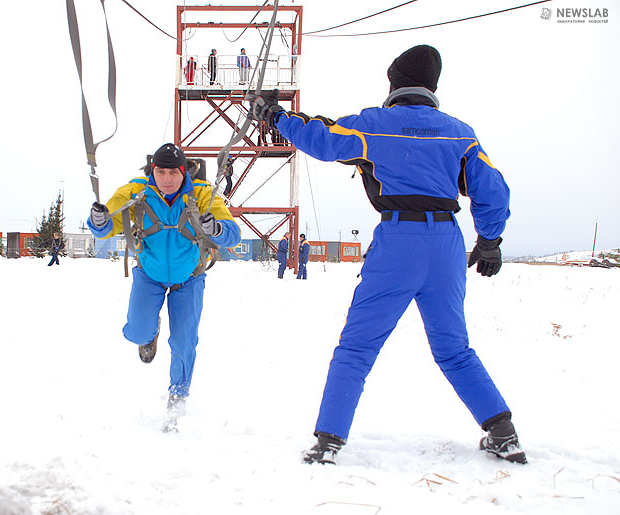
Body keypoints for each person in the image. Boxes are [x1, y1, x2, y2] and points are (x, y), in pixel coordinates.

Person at [250, 44, 524, 465]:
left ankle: (328, 441)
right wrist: (489, 240)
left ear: (394, 82)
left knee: (357, 346)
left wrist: (274, 116)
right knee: (453, 348)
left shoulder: (374, 125)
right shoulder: (459, 133)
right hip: (447, 244)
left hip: (399, 240)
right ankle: (502, 432)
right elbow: (493, 192)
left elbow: (322, 139)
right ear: (433, 86)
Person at [88, 143, 241, 427]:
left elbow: (233, 234)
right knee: (136, 331)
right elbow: (107, 222)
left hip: (189, 277)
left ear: (184, 172)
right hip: (150, 274)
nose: (167, 179)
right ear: (152, 172)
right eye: (161, 172)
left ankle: (177, 397)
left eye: (173, 172)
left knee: (184, 342)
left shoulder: (202, 195)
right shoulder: (136, 192)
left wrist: (216, 230)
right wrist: (98, 221)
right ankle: (148, 334)